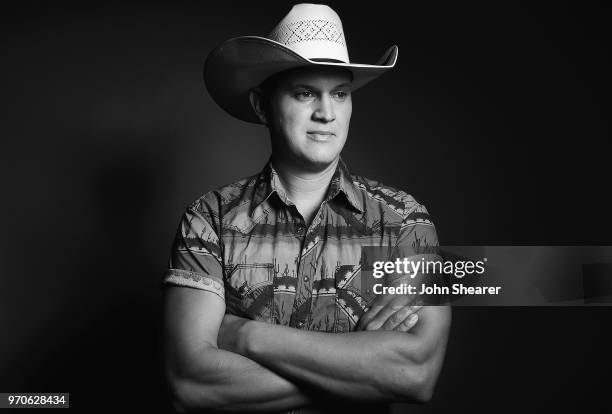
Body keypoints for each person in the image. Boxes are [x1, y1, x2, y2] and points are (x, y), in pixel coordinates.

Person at [162, 4, 451, 413]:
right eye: (304, 93)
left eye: (340, 93)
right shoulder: (209, 219)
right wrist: (363, 367)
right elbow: (191, 381)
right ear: (263, 106)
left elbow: (414, 374)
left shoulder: (404, 221)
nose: (326, 113)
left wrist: (245, 336)